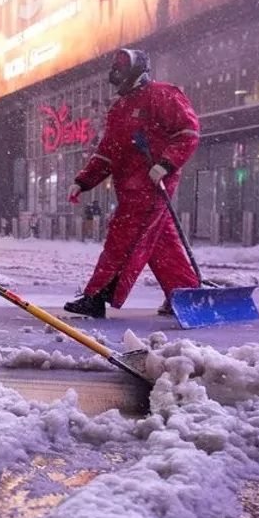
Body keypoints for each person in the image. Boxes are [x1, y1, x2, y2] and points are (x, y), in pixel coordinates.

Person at [64, 48, 201, 319]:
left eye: (120, 72)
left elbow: (188, 132)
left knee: (124, 238)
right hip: (128, 187)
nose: (117, 79)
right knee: (160, 243)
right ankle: (185, 294)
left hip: (151, 185)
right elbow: (107, 153)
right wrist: (83, 181)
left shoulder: (163, 95)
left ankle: (97, 295)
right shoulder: (120, 109)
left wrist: (166, 164)